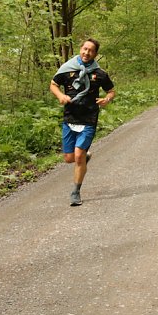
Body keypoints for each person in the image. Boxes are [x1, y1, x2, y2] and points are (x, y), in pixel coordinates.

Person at [50, 38, 115, 206]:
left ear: (95, 54)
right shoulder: (67, 68)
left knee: (78, 157)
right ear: (80, 49)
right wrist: (60, 96)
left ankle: (75, 192)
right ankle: (84, 157)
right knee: (69, 158)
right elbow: (53, 84)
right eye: (85, 49)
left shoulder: (99, 74)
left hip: (89, 118)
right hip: (70, 117)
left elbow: (111, 90)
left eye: (91, 50)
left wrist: (107, 99)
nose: (87, 53)